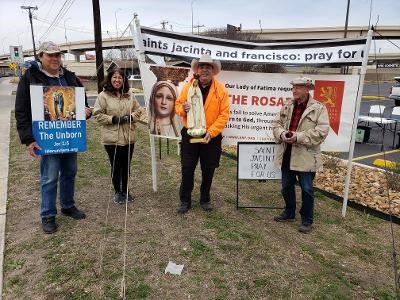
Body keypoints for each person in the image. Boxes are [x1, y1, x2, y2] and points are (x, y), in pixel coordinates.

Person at [15, 41, 92, 234]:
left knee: (70, 172)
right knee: (49, 177)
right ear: (40, 56)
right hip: (47, 137)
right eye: (50, 55)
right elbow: (22, 110)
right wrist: (28, 138)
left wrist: (86, 110)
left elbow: (81, 101)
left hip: (70, 135)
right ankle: (48, 214)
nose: (55, 59)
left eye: (58, 55)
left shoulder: (69, 76)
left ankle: (67, 206)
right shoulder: (30, 77)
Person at [272, 76, 329, 233]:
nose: (294, 90)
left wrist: (299, 136)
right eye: (293, 87)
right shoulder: (287, 105)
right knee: (286, 187)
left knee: (307, 189)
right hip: (287, 153)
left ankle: (307, 220)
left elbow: (322, 132)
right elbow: (275, 124)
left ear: (307, 89)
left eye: (298, 87)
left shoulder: (319, 108)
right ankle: (289, 212)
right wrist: (282, 134)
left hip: (306, 156)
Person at [175, 54, 230, 214]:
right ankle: (185, 200)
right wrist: (182, 109)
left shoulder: (221, 90)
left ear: (213, 70)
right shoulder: (188, 86)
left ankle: (205, 199)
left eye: (208, 67)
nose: (205, 69)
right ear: (197, 70)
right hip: (190, 134)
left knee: (208, 169)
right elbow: (178, 106)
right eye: (202, 66)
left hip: (210, 137)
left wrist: (211, 133)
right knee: (187, 168)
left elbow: (224, 114)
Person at [93, 68, 143, 205]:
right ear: (110, 79)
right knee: (116, 165)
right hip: (112, 138)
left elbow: (139, 110)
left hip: (129, 137)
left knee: (126, 166)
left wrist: (131, 117)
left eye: (120, 78)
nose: (117, 80)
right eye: (114, 77)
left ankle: (126, 190)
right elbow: (97, 115)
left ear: (123, 80)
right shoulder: (103, 96)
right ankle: (117, 192)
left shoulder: (129, 95)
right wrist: (113, 119)